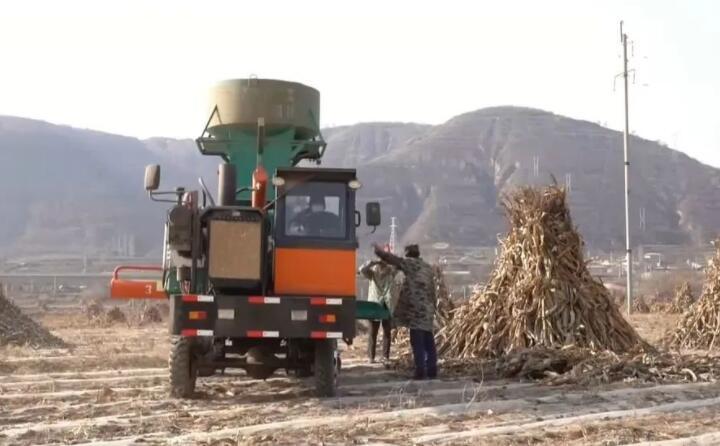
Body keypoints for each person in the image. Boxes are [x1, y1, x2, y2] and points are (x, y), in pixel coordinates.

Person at [372, 243, 437, 380]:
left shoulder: (410, 264)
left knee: (417, 342)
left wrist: (379, 252)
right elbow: (433, 290)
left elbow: (393, 260)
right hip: (428, 309)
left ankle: (420, 372)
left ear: (408, 254)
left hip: (417, 310)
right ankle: (432, 370)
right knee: (428, 341)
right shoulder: (427, 267)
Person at [359, 245, 398, 363]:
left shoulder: (391, 271)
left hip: (386, 304)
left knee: (387, 332)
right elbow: (361, 270)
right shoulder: (373, 272)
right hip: (374, 304)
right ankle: (371, 357)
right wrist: (372, 262)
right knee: (373, 332)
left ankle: (385, 356)